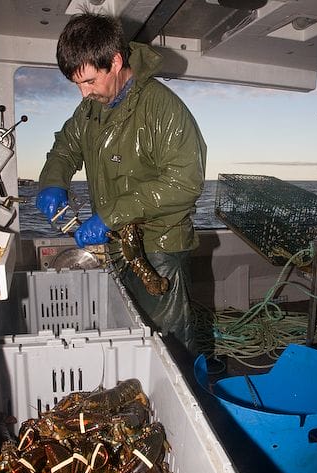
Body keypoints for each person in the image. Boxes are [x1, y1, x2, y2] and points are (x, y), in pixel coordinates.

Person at [36, 12, 206, 354]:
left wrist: (111, 214)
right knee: (131, 332)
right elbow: (65, 148)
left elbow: (185, 182)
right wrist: (51, 182)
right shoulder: (89, 111)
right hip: (117, 246)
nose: (83, 94)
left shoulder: (162, 107)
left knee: (170, 345)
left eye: (89, 82)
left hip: (160, 247)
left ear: (115, 61)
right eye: (77, 85)